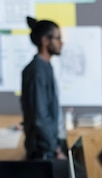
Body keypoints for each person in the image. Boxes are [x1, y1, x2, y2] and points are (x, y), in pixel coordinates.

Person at [21, 16, 67, 161]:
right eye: (58, 38)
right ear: (45, 41)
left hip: (49, 146)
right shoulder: (36, 71)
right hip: (43, 151)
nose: (61, 43)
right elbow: (40, 117)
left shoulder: (45, 67)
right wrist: (55, 148)